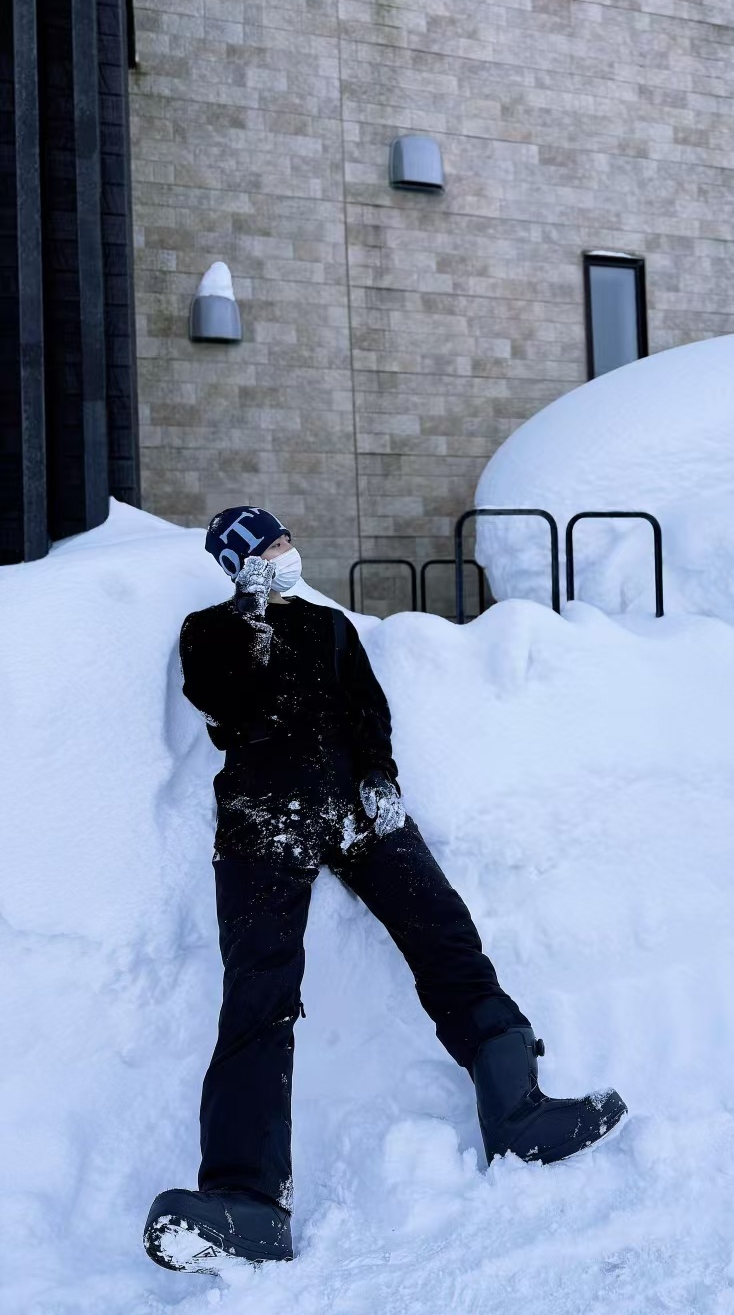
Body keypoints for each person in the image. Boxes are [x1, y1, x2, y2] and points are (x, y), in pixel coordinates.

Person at [143, 506, 627, 1273]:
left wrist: (379, 779)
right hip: (263, 822)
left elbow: (368, 712)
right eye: (270, 546)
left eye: (286, 538)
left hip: (358, 812)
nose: (287, 550)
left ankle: (516, 1108)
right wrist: (250, 617)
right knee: (258, 996)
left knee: (445, 933)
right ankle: (247, 1200)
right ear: (240, 563)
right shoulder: (211, 631)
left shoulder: (331, 629)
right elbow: (223, 704)